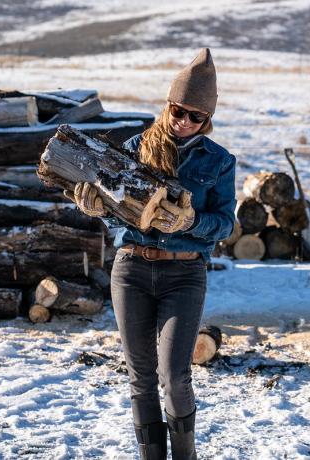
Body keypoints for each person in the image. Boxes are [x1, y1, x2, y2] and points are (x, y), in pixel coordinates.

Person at [72, 48, 236, 460]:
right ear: (168, 105)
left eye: (195, 116)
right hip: (131, 271)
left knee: (175, 375)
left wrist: (190, 223)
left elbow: (225, 223)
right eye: (178, 111)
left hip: (185, 275)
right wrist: (98, 209)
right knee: (140, 377)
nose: (183, 122)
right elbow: (115, 209)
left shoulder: (220, 162)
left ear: (207, 120)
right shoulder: (136, 147)